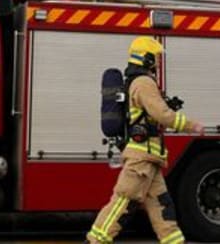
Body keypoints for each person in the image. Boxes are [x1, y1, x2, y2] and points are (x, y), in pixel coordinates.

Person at [87, 36, 204, 244]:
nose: (157, 62)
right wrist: (191, 125)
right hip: (141, 157)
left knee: (161, 207)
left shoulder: (137, 81)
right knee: (123, 202)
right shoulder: (144, 82)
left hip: (150, 157)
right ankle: (95, 241)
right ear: (146, 57)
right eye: (155, 57)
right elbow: (163, 115)